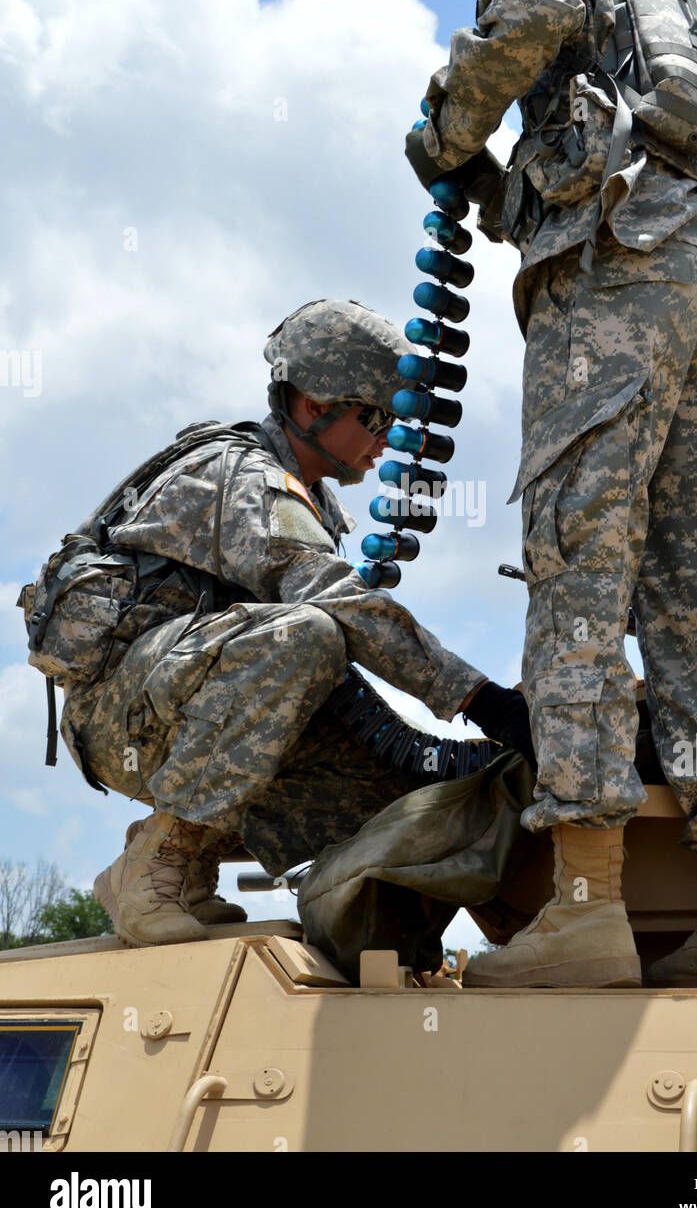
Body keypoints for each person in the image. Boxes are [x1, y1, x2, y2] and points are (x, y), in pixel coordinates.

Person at [405, 0, 697, 989]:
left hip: (622, 271)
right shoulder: (676, 14)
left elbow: (522, 24)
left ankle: (585, 911)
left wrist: (451, 126)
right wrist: (499, 191)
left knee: (578, 566)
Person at [20, 299, 533, 948]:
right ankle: (156, 863)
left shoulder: (312, 498)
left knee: (401, 783)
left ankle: (189, 873)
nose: (386, 443)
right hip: (118, 714)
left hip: (175, 701)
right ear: (315, 406)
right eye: (378, 420)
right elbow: (335, 605)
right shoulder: (243, 478)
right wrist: (478, 698)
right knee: (309, 636)